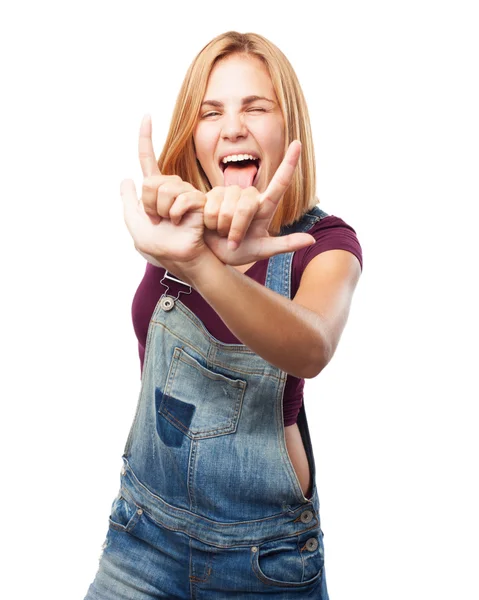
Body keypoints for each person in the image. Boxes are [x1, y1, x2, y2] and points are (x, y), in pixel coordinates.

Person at [84, 31, 362, 599]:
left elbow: (312, 348)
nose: (232, 126)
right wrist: (188, 244)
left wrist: (201, 266)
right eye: (212, 112)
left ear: (289, 126)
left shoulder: (325, 244)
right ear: (196, 133)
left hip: (263, 559)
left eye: (255, 107)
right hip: (142, 538)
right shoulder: (181, 220)